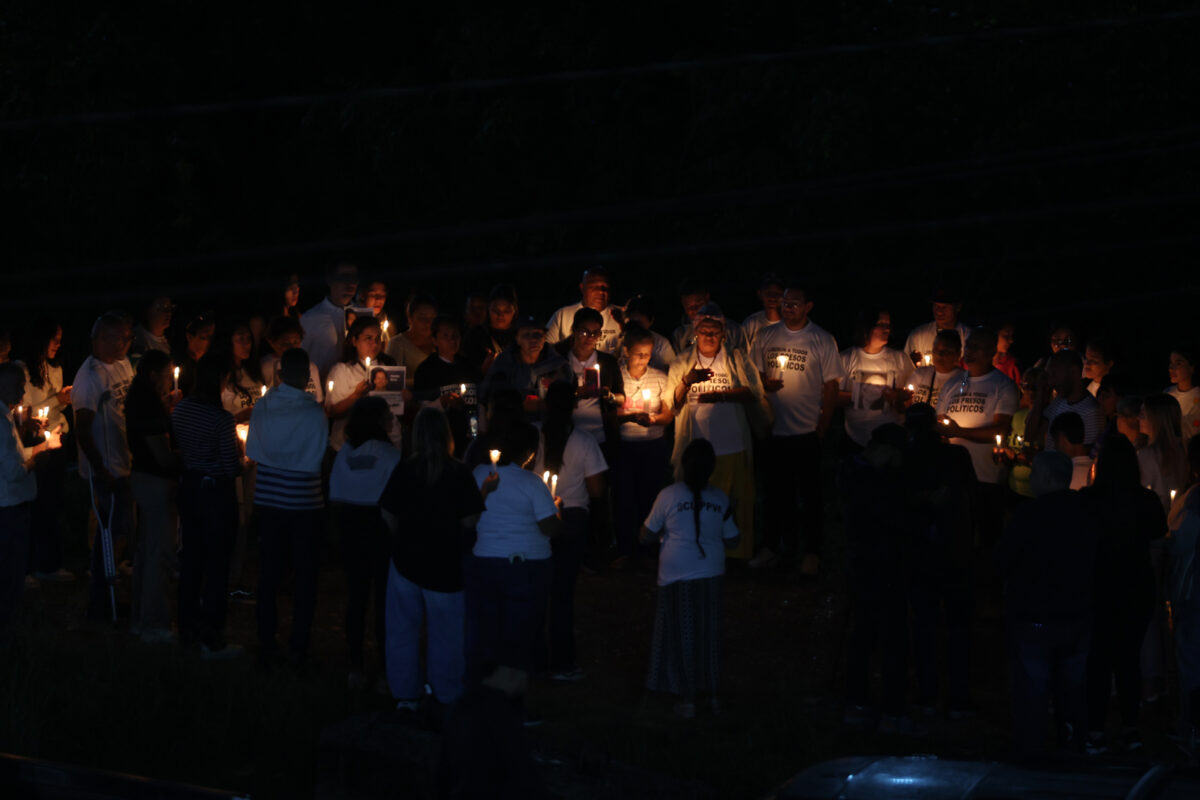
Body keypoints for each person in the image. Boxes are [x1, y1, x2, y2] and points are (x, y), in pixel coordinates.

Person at [380, 406, 485, 716]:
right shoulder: (459, 473)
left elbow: (387, 511)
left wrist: (403, 534)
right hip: (446, 564)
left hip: (406, 561)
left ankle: (405, 694)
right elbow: (470, 519)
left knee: (402, 631)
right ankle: (446, 693)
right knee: (447, 634)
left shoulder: (405, 469)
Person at [994, 451, 1099, 757]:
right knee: (1073, 687)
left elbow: (1002, 560)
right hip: (1077, 613)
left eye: (1034, 474)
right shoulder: (1087, 513)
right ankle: (1072, 745)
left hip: (1035, 615)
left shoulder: (1028, 515)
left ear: (1045, 477)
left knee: (1033, 689)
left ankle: (1032, 752)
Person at [640, 438, 740, 718]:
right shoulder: (720, 498)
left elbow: (646, 535)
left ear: (684, 466)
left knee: (681, 634)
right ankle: (712, 694)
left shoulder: (668, 495)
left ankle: (687, 698)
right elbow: (734, 540)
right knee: (708, 634)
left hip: (677, 574)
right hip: (711, 573)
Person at [748, 285, 841, 574]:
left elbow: (831, 386)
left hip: (806, 432)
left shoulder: (822, 339)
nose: (788, 307)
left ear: (808, 306)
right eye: (785, 302)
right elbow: (753, 373)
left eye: (795, 303)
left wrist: (822, 427)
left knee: (810, 496)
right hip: (773, 431)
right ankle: (773, 548)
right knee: (775, 495)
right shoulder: (766, 335)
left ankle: (812, 552)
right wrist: (763, 382)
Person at [246, 348, 329, 667]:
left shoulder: (264, 406)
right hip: (304, 503)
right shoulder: (314, 413)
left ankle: (266, 640)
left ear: (280, 375)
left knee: (268, 573)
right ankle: (299, 645)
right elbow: (317, 457)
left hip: (269, 500)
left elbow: (253, 450)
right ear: (307, 377)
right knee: (305, 577)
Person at [1082, 434, 1164, 755]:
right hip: (1136, 584)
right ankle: (1130, 727)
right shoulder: (1146, 500)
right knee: (1129, 658)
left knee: (1098, 659)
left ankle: (1095, 728)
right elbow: (1158, 534)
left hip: (1099, 585)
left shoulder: (1089, 500)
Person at [466, 423, 560, 698]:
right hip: (527, 565)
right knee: (521, 632)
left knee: (489, 629)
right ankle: (513, 698)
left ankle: (485, 692)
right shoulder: (531, 483)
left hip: (485, 561)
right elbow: (549, 527)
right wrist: (556, 510)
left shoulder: (478, 473)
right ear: (528, 452)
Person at [670, 304, 766, 564]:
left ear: (724, 333)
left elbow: (754, 391)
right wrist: (687, 381)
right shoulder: (682, 362)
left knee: (738, 502)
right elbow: (673, 404)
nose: (709, 336)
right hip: (697, 450)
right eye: (704, 331)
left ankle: (737, 555)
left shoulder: (736, 358)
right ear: (695, 333)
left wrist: (721, 396)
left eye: (715, 331)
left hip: (733, 445)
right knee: (701, 505)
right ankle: (702, 554)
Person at [841, 424, 921, 735]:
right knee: (892, 640)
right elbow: (897, 521)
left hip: (862, 567)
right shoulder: (877, 481)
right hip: (885, 569)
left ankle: (857, 703)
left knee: (862, 636)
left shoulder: (852, 472)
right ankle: (892, 711)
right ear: (888, 451)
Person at [171, 353, 243, 659]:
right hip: (216, 493)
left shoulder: (181, 409)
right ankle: (212, 635)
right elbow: (231, 466)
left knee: (191, 560)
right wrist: (243, 457)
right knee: (216, 565)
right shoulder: (221, 419)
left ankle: (187, 627)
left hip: (189, 487)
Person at [534, 381, 607, 679]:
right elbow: (597, 489)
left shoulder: (533, 436)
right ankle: (563, 662)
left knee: (537, 591)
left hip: (537, 517)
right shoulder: (584, 440)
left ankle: (536, 659)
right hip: (572, 518)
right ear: (573, 407)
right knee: (563, 593)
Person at [329, 397, 403, 691]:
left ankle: (356, 666)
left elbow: (336, 494)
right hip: (381, 529)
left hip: (351, 528)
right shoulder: (391, 455)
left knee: (356, 599)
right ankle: (385, 669)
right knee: (385, 603)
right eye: (388, 416)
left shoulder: (345, 454)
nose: (392, 420)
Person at [73, 311, 136, 621]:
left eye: (128, 337)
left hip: (126, 462)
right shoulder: (89, 378)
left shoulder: (123, 364)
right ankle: (100, 602)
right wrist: (100, 469)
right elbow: (83, 429)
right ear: (102, 339)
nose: (127, 343)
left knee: (121, 529)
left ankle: (111, 589)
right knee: (108, 533)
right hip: (107, 469)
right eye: (122, 338)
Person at [935, 328, 1018, 550]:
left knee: (988, 540)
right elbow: (939, 423)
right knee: (955, 540)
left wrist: (959, 432)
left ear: (991, 352)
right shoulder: (951, 384)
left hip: (987, 477)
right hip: (954, 477)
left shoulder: (1002, 385)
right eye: (968, 346)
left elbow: (1001, 428)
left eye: (976, 347)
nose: (969, 351)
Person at [0, 362, 63, 636]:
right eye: (17, 386)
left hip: (11, 507)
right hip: (9, 509)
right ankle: (9, 634)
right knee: (10, 575)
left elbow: (13, 460)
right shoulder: (1, 423)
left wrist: (42, 445)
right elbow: (14, 472)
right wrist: (39, 458)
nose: (23, 392)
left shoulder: (6, 418)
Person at [124, 350, 180, 643]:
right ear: (153, 376)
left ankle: (140, 618)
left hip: (143, 478)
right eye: (168, 375)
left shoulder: (143, 403)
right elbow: (162, 455)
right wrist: (188, 456)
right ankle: (155, 623)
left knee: (147, 551)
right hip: (155, 482)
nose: (170, 381)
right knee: (159, 553)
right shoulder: (147, 408)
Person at [612, 325, 674, 570]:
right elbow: (609, 413)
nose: (643, 359)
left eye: (647, 354)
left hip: (652, 446)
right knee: (624, 499)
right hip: (624, 446)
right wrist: (629, 417)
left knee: (650, 498)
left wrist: (653, 419)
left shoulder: (660, 377)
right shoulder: (617, 377)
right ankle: (625, 550)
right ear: (626, 351)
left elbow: (668, 414)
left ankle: (648, 550)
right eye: (638, 354)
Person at [21, 318, 73, 583]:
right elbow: (29, 409)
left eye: (60, 340)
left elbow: (53, 409)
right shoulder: (24, 370)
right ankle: (31, 565)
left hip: (58, 438)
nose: (58, 344)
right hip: (36, 442)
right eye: (54, 339)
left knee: (53, 503)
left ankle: (51, 564)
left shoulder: (56, 368)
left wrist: (63, 400)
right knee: (38, 503)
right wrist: (56, 400)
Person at [837, 307, 912, 451]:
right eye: (881, 324)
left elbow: (911, 401)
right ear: (866, 327)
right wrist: (865, 394)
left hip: (891, 442)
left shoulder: (901, 359)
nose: (887, 329)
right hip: (855, 438)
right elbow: (831, 396)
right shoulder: (846, 358)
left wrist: (898, 399)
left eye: (888, 325)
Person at [1167, 436, 1200, 758]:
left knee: (1192, 662)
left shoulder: (1194, 502)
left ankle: (1192, 731)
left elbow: (1180, 542)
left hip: (1194, 593)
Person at [552, 307, 624, 451]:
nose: (590, 337)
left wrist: (609, 396)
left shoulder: (608, 362)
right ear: (574, 330)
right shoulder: (560, 362)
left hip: (602, 436)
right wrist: (576, 394)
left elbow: (621, 397)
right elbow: (551, 399)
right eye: (585, 332)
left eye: (595, 333)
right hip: (568, 436)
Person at [478, 316, 572, 421]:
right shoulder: (504, 365)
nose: (533, 340)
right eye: (526, 335)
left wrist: (545, 404)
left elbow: (567, 401)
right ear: (517, 339)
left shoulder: (558, 365)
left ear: (545, 338)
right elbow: (487, 397)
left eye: (538, 335)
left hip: (549, 425)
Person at [413, 314, 480, 458]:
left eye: (455, 336)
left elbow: (478, 403)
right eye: (445, 336)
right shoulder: (427, 369)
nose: (452, 341)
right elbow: (420, 407)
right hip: (439, 441)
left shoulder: (468, 366)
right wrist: (443, 401)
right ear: (435, 340)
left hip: (469, 437)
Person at [326, 316, 390, 451]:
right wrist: (356, 395)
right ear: (354, 341)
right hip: (348, 446)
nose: (374, 344)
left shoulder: (386, 368)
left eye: (378, 338)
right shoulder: (342, 370)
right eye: (368, 338)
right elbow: (334, 412)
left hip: (380, 445)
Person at [1026, 349, 1106, 453]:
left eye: (1054, 374)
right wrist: (1041, 393)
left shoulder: (1091, 411)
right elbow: (1030, 435)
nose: (1051, 381)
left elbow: (1085, 456)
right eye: (1048, 376)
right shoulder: (1059, 402)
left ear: (1074, 372)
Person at [300, 262, 359, 381]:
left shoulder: (363, 316)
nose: (350, 283)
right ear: (330, 280)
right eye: (344, 277)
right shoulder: (310, 318)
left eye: (354, 278)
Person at [545, 267, 625, 354]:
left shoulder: (622, 315)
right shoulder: (563, 315)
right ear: (582, 288)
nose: (601, 291)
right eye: (594, 287)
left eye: (605, 287)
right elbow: (545, 348)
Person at [1138, 393, 1188, 511]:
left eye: (1143, 415)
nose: (1138, 418)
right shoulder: (1185, 449)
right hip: (1179, 514)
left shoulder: (1148, 454)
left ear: (1156, 419)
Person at [671, 277, 746, 353]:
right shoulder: (680, 335)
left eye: (698, 303)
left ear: (707, 298)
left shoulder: (733, 330)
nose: (695, 310)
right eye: (689, 307)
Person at [260, 315, 323, 401]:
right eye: (285, 343)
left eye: (296, 342)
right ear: (272, 342)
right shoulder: (265, 367)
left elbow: (318, 400)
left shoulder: (311, 367)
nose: (292, 347)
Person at [902, 288, 971, 366]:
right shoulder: (918, 336)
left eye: (944, 307)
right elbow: (904, 368)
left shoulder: (969, 338)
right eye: (936, 306)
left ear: (958, 307)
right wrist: (911, 364)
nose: (939, 312)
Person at [462, 284, 518, 377]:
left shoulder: (521, 335)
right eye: (496, 310)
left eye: (506, 311)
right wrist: (483, 370)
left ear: (515, 311)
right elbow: (465, 370)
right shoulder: (475, 335)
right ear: (488, 308)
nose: (500, 315)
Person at [906, 330, 964, 408]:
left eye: (946, 351)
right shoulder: (919, 374)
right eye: (936, 349)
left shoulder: (964, 380)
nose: (939, 355)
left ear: (958, 354)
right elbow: (904, 406)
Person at [622, 294, 676, 371]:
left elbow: (672, 371)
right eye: (630, 323)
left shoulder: (661, 345)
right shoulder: (618, 340)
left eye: (639, 324)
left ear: (650, 321)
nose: (635, 329)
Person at [385, 293, 437, 371]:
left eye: (432, 318)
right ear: (410, 317)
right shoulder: (397, 344)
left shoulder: (439, 342)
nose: (428, 323)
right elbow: (392, 376)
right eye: (422, 318)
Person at [173, 313, 214, 397]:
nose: (209, 342)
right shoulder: (178, 363)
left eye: (212, 337)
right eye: (204, 337)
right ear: (190, 337)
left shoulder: (212, 362)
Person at [741, 273, 784, 352]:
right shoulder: (750, 324)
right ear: (760, 293)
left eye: (777, 293)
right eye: (768, 292)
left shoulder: (791, 325)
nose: (772, 297)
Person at [1049, 413, 1093, 490]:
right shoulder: (1097, 471)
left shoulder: (1063, 476)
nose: (1054, 447)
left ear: (1061, 439)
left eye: (1055, 441)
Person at [1167, 346, 1200, 444]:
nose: (1171, 368)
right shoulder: (1168, 394)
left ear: (1192, 367)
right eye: (1171, 363)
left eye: (1178, 363)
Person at [358, 280, 392, 344]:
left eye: (383, 295)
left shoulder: (384, 320)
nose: (379, 299)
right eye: (373, 294)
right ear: (362, 295)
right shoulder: (351, 317)